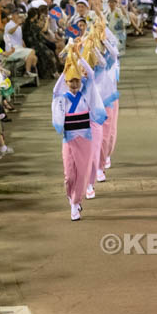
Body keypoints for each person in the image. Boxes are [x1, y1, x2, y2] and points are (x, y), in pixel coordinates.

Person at [51, 50, 107, 221]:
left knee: (82, 173)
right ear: (66, 82)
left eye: (76, 80)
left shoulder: (85, 95)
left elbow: (90, 74)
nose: (74, 84)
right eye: (70, 81)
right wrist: (65, 69)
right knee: (69, 175)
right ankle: (71, 196)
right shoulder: (61, 98)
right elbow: (55, 90)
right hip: (69, 140)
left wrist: (79, 57)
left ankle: (76, 203)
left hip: (85, 139)